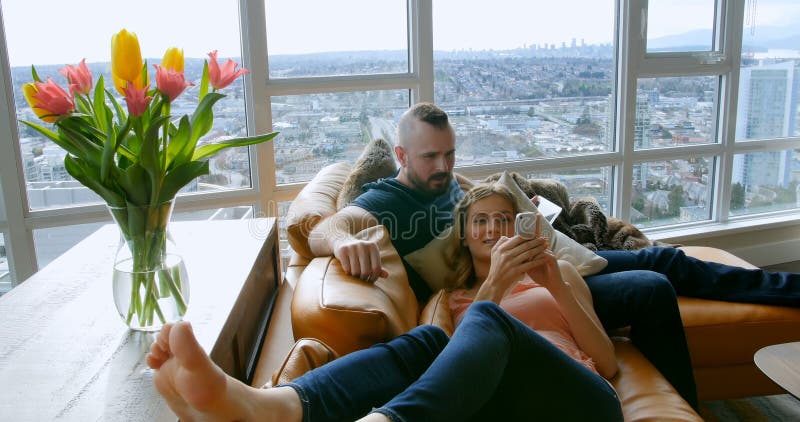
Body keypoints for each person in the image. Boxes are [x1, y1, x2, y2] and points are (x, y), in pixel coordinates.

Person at [308, 102, 800, 407]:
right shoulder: (383, 202)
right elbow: (320, 227)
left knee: (662, 264)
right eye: (430, 157)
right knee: (655, 281)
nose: (443, 166)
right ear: (400, 157)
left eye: (450, 153)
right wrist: (344, 241)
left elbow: (477, 198)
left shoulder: (446, 184)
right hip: (502, 293)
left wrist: (521, 213)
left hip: (535, 266)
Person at [148, 183, 625, 421]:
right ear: (464, 233)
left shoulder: (558, 274)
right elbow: (459, 375)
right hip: (504, 403)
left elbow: (606, 364)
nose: (493, 230)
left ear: (524, 226)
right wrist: (493, 289)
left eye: (504, 220)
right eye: (480, 221)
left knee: (485, 326)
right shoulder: (450, 299)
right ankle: (269, 408)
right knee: (427, 342)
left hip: (581, 399)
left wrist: (553, 284)